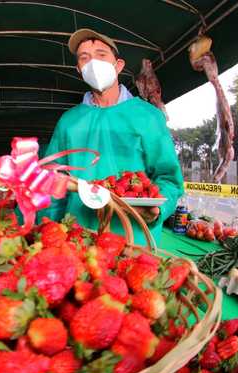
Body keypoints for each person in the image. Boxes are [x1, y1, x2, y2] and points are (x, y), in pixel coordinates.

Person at [39, 29, 184, 245]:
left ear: (118, 65)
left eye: (101, 55)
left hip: (134, 239)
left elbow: (169, 178)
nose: (93, 63)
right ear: (79, 70)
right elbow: (52, 183)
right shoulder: (69, 122)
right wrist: (45, 229)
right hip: (78, 238)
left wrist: (158, 208)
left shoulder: (148, 117)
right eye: (84, 58)